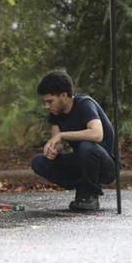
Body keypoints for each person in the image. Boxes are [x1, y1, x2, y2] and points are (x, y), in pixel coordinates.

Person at [31, 70, 116, 211]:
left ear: (63, 95)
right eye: (45, 102)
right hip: (81, 162)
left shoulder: (85, 104)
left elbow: (97, 134)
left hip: (105, 166)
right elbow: (58, 142)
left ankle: (90, 194)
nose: (47, 106)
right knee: (38, 162)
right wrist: (53, 150)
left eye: (50, 101)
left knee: (86, 146)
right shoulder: (56, 113)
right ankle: (83, 187)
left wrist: (62, 135)